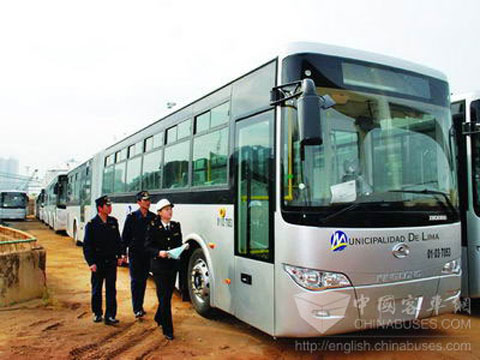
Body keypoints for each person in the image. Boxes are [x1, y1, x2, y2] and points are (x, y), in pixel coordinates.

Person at [83, 195, 124, 325]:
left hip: (111, 261)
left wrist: (120, 255)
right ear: (100, 208)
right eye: (107, 206)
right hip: (98, 262)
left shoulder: (113, 222)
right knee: (97, 289)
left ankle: (110, 315)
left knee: (111, 289)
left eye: (110, 205)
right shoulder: (91, 224)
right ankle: (97, 313)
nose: (110, 208)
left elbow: (118, 240)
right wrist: (91, 263)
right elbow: (87, 246)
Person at [145, 199, 182, 340]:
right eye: (166, 209)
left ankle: (159, 316)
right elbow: (147, 246)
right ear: (159, 213)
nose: (170, 211)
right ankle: (168, 330)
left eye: (170, 209)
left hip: (172, 266)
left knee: (168, 294)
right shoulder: (153, 227)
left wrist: (183, 248)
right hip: (159, 266)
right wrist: (158, 252)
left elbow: (178, 243)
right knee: (164, 297)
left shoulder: (175, 226)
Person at [121, 190, 156, 318]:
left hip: (147, 255)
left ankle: (140, 306)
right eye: (145, 200)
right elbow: (125, 237)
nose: (148, 203)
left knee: (143, 280)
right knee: (136, 281)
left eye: (149, 200)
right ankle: (137, 308)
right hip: (135, 254)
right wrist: (123, 254)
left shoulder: (153, 217)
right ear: (138, 202)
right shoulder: (132, 218)